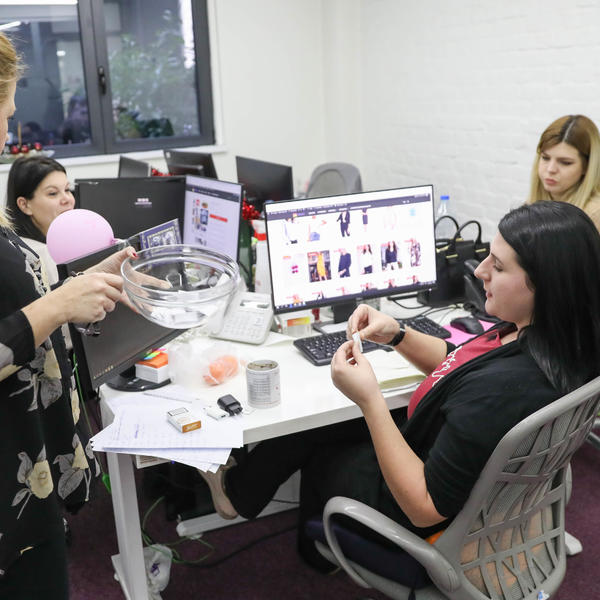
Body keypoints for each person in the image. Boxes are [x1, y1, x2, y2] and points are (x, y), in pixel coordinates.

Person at [198, 201, 600, 580]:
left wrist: (369, 399)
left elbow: (425, 507)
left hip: (417, 509)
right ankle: (242, 495)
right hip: (462, 467)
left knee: (319, 441)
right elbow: (461, 364)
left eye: (497, 266)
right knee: (329, 422)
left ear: (545, 285)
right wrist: (397, 333)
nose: (480, 272)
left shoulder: (505, 389)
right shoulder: (555, 338)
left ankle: (313, 550)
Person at [0, 32, 136, 599]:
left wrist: (84, 283)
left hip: (31, 460)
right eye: (6, 112)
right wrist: (60, 303)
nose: (8, 128)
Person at [6, 155, 75, 287]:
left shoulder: (62, 242)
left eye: (67, 189)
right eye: (53, 193)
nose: (67, 199)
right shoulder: (39, 255)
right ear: (24, 205)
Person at [528, 114, 600, 230]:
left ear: (587, 167)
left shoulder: (594, 215)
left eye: (565, 162)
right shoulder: (530, 206)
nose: (551, 169)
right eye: (545, 158)